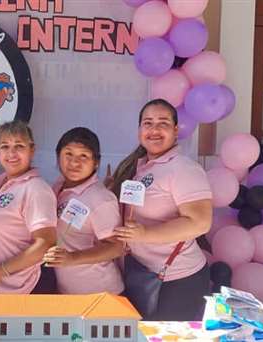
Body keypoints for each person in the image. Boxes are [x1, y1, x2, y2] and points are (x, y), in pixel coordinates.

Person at [109, 99, 213, 320]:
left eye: (163, 123)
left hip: (179, 280)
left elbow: (200, 222)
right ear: (139, 130)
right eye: (147, 123)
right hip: (143, 273)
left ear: (175, 130)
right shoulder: (142, 166)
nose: (154, 130)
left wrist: (145, 235)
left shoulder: (184, 169)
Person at [0, 121, 57, 293]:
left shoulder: (36, 188)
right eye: (5, 146)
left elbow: (45, 244)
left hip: (27, 288)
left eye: (19, 146)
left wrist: (0, 272)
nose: (12, 153)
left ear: (31, 150)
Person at [43, 127, 125, 294]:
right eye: (68, 154)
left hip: (101, 295)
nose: (74, 163)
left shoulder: (101, 198)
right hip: (68, 292)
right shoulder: (58, 186)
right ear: (58, 156)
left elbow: (116, 247)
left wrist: (72, 258)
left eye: (84, 156)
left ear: (96, 162)